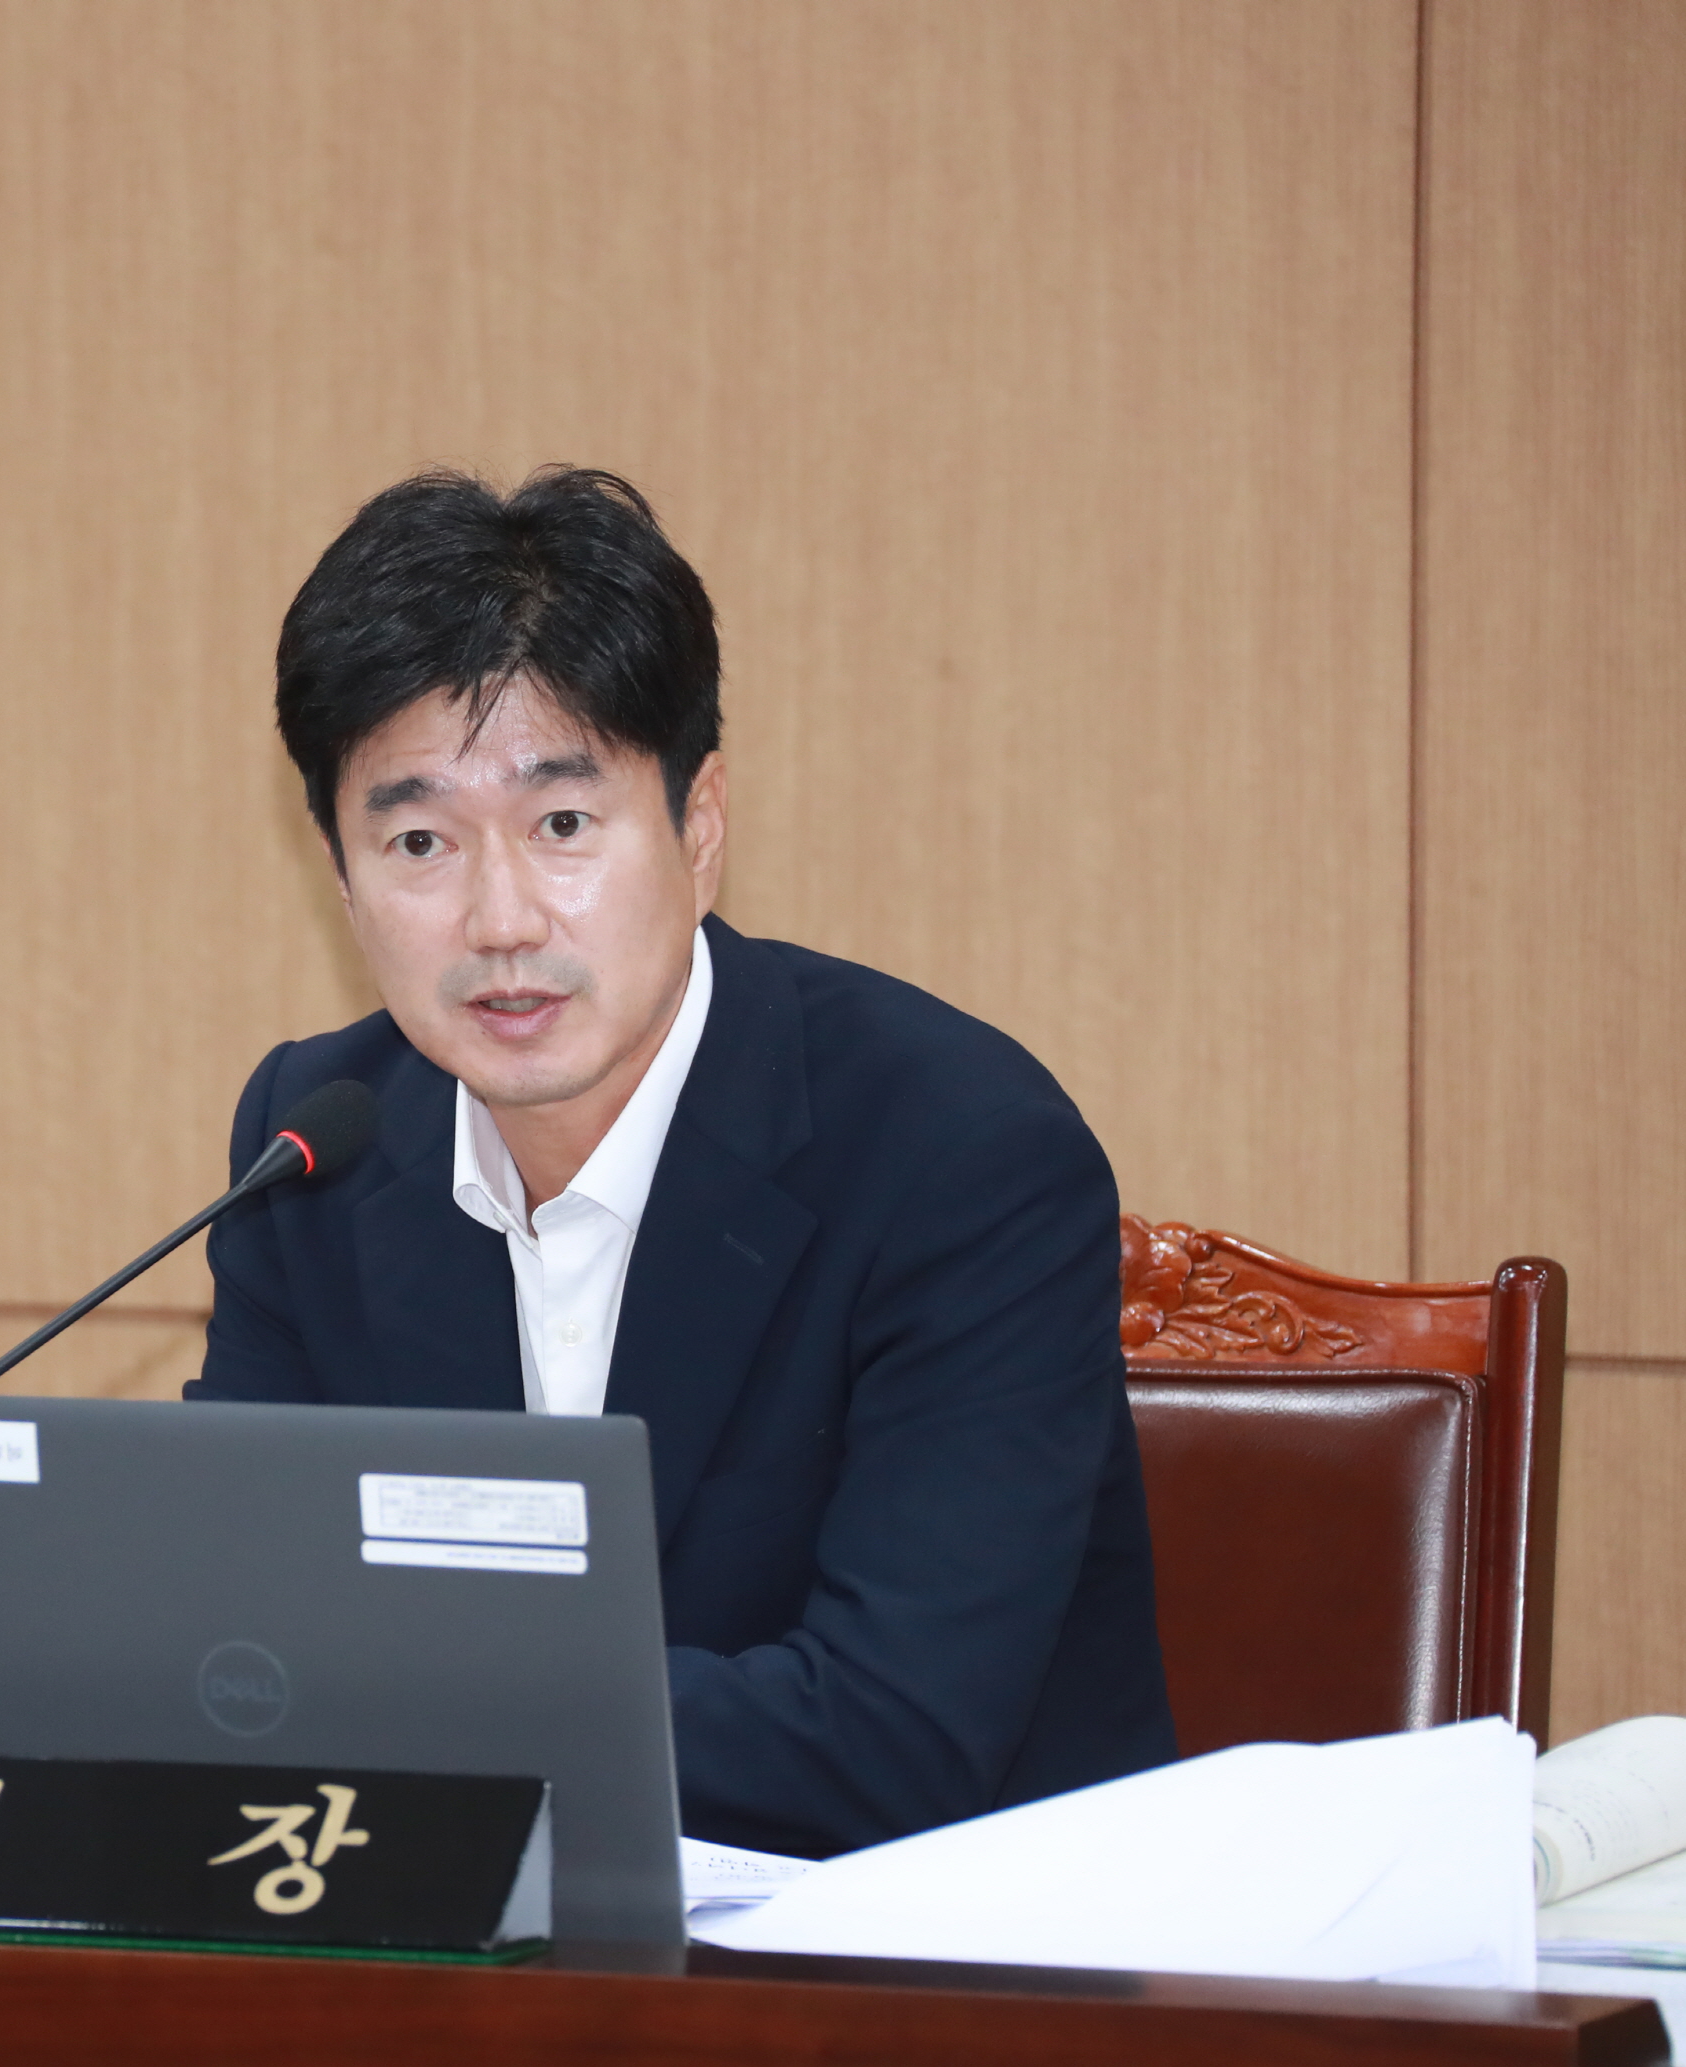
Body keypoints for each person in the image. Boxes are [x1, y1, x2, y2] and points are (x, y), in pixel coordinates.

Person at [191, 467, 1177, 1859]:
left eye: (563, 825)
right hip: (486, 1940)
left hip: (926, 1944)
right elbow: (233, 1623)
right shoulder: (315, 1142)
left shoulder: (959, 1152)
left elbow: (891, 1737)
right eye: (417, 840)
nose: (501, 919)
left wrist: (387, 1700)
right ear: (340, 876)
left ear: (697, 826)